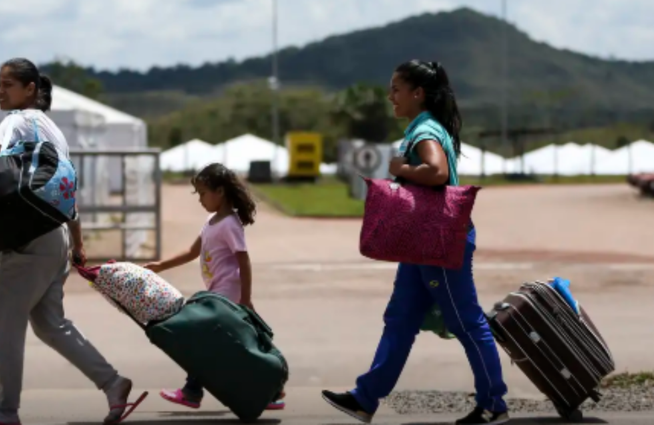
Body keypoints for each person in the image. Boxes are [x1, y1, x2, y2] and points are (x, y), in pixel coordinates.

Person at [0, 58, 145, 425]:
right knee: (49, 324)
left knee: (1, 328)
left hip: (31, 240)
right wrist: (76, 243)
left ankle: (5, 413)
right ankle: (113, 383)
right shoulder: (54, 131)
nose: (0, 92)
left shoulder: (18, 120)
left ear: (30, 90)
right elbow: (65, 191)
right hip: (55, 236)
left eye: (7, 85)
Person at [321, 60, 510, 425]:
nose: (390, 95)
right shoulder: (421, 127)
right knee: (400, 318)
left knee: (466, 322)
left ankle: (494, 403)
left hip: (437, 241)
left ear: (417, 93)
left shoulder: (425, 130)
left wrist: (401, 170)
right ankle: (364, 398)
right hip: (421, 242)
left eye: (396, 88)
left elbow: (436, 172)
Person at [144, 163, 285, 411]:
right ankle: (271, 392)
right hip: (217, 294)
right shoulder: (211, 221)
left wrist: (246, 299)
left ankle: (192, 391)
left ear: (219, 191)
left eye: (202, 193)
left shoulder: (230, 224)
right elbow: (192, 251)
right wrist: (160, 265)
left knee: (202, 340)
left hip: (227, 296)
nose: (200, 199)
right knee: (232, 347)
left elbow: (244, 260)